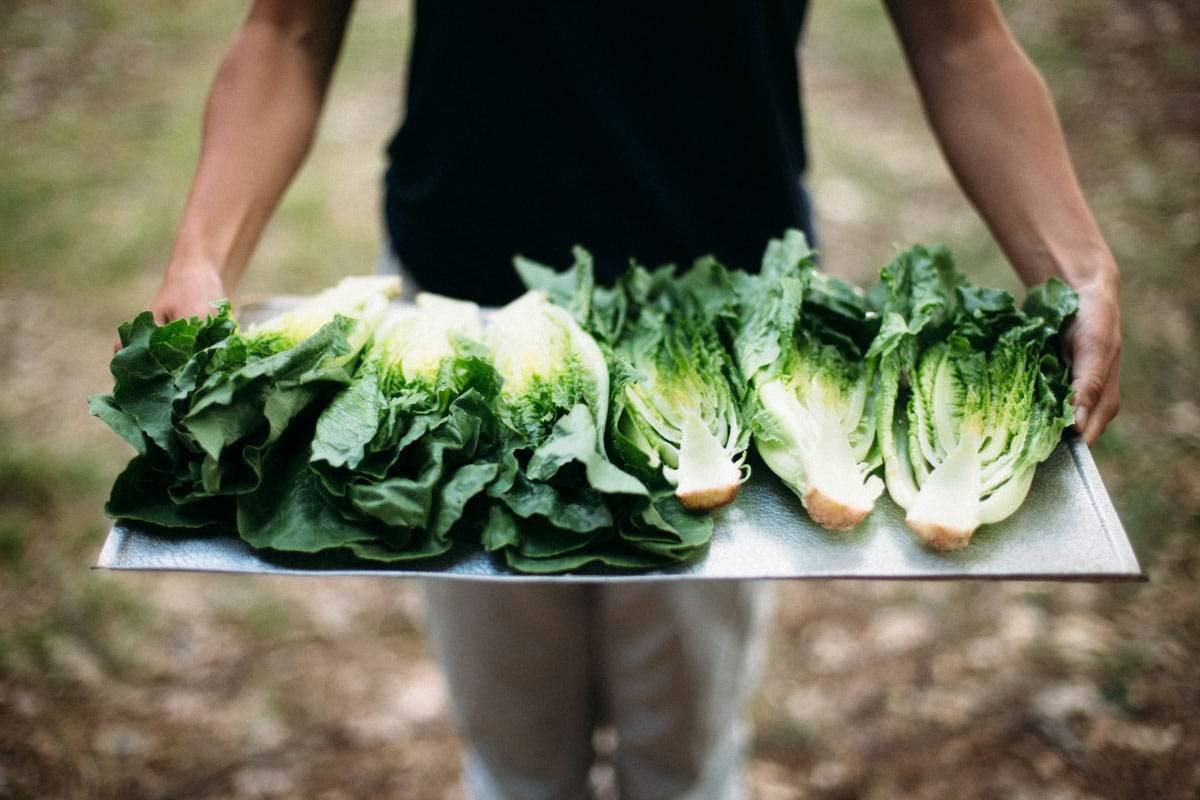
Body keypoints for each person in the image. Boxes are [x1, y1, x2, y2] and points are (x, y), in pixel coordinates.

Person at [137, 1, 1121, 798]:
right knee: (516, 753)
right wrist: (202, 256)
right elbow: (288, 29)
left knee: (684, 757)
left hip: (730, 329)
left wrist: (1076, 266)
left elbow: (958, 36)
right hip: (466, 327)